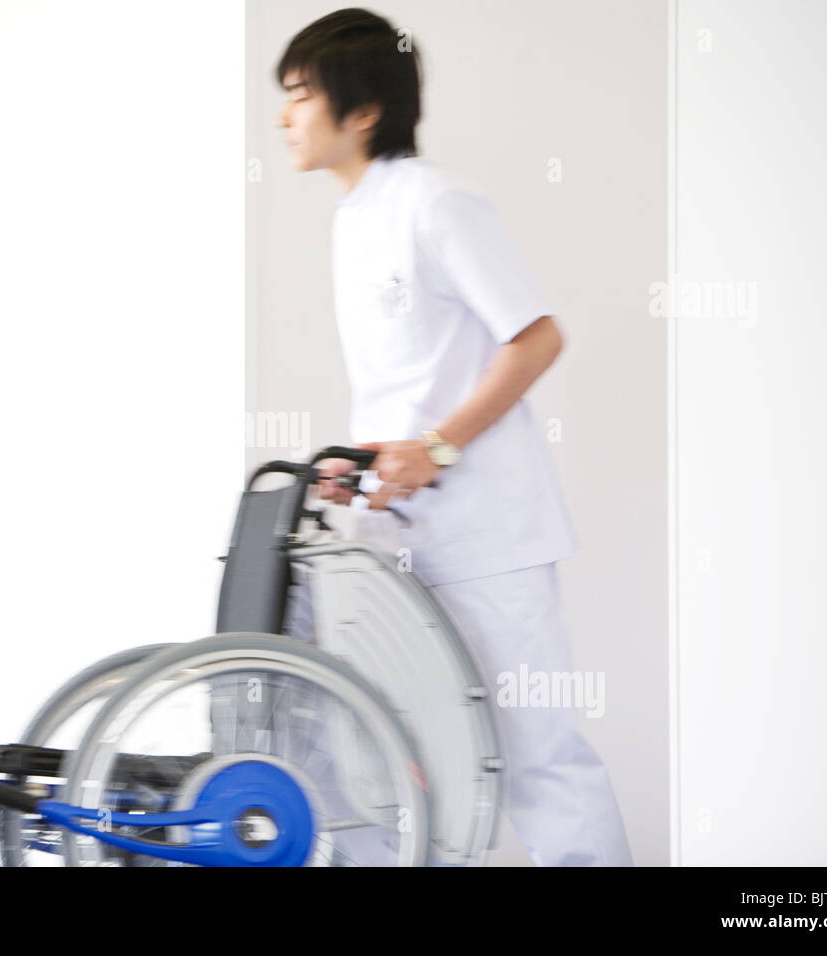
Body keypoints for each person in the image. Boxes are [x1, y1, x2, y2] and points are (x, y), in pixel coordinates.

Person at [272, 7, 634, 866]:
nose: (283, 118)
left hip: (490, 537)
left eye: (298, 96)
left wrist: (434, 450)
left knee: (539, 760)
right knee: (403, 759)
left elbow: (537, 336)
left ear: (361, 111)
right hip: (397, 540)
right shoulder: (350, 218)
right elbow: (409, 383)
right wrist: (359, 467)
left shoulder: (437, 203)